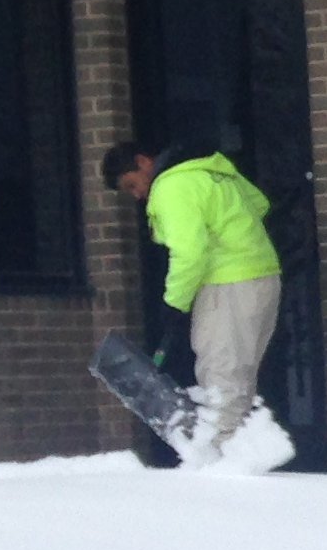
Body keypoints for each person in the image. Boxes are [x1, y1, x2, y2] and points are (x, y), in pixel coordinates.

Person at [101, 141, 283, 457]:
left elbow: (189, 251)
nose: (137, 195)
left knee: (220, 379)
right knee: (239, 379)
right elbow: (260, 204)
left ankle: (217, 465)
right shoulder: (213, 171)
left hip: (227, 285)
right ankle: (238, 455)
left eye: (132, 184)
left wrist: (174, 302)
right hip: (263, 279)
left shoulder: (172, 185)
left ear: (144, 162)